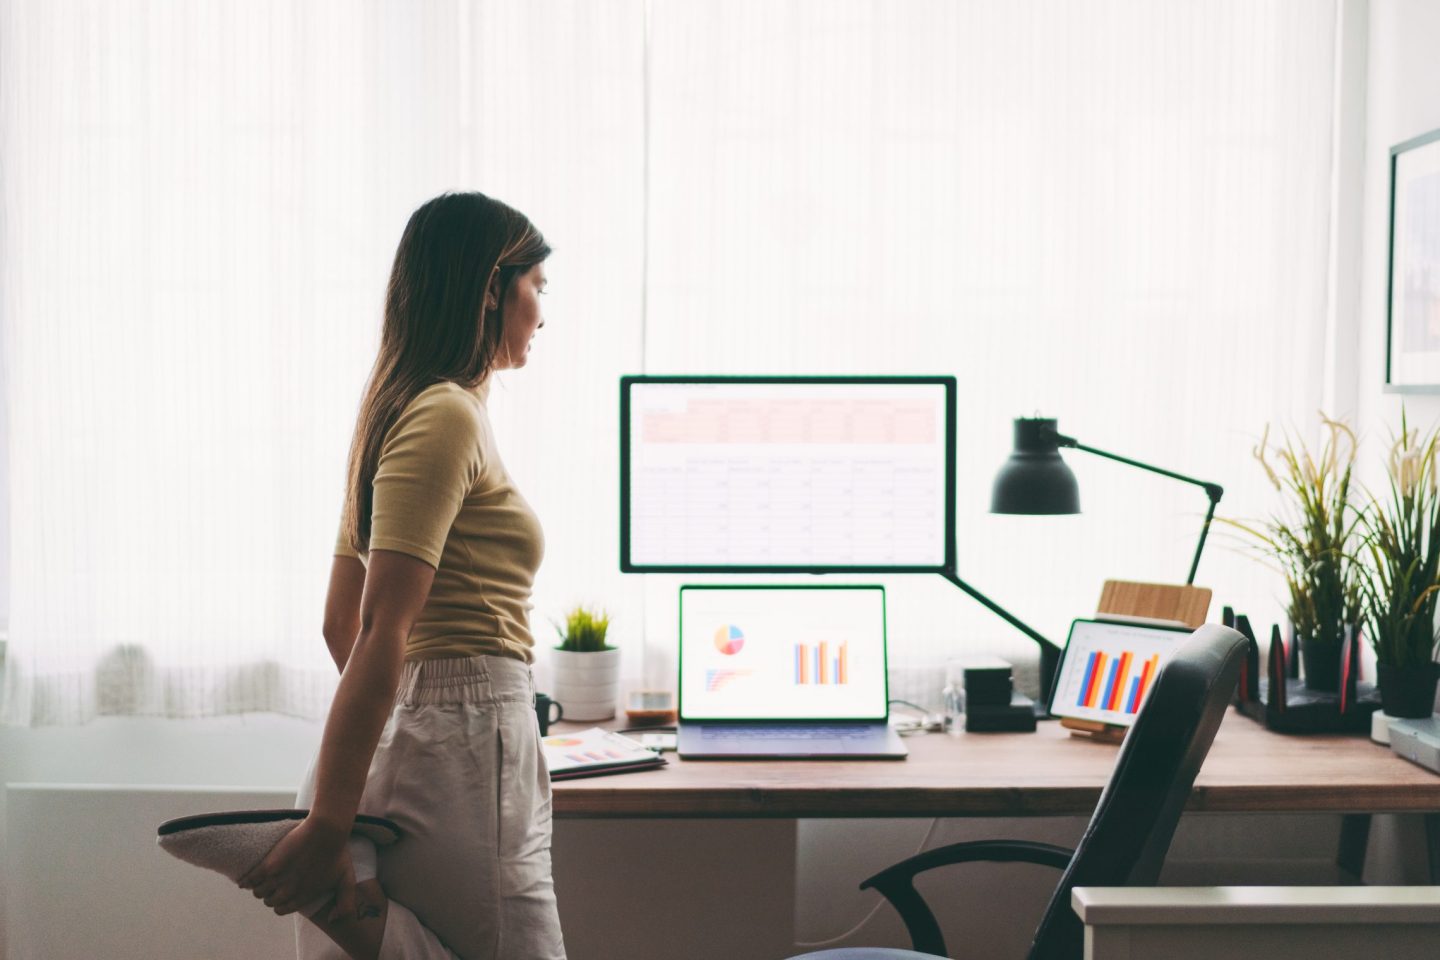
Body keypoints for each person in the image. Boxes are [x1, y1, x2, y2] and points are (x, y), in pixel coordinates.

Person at [237, 192, 565, 960]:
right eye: (537, 286)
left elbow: (338, 625)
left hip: (434, 734)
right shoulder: (445, 415)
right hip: (464, 738)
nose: (544, 312)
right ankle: (331, 870)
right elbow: (381, 627)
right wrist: (328, 819)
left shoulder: (399, 409)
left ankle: (344, 895)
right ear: (492, 287)